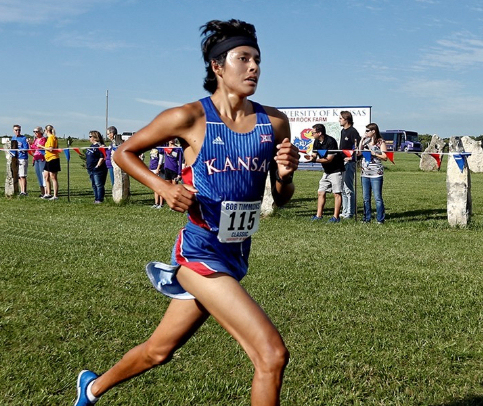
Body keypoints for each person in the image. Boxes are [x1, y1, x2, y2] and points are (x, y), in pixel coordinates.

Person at [74, 19, 299, 406]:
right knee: (271, 354)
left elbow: (281, 199)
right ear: (217, 66)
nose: (254, 68)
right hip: (199, 255)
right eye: (243, 58)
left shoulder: (274, 123)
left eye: (258, 60)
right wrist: (162, 186)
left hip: (236, 253)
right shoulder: (189, 118)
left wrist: (285, 174)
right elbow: (123, 153)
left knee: (159, 351)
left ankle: (91, 388)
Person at [304, 124, 344, 222]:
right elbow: (314, 155)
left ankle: (336, 217)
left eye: (313, 132)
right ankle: (319, 215)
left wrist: (314, 161)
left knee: (336, 193)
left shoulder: (331, 141)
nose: (311, 134)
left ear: (319, 133)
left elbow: (329, 159)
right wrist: (310, 158)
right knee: (321, 192)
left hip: (336, 171)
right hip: (326, 171)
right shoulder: (316, 142)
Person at [358, 123, 387, 224]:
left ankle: (380, 219)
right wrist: (361, 141)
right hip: (365, 173)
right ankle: (367, 218)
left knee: (377, 198)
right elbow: (358, 153)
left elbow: (385, 157)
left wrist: (374, 154)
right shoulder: (365, 141)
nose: (365, 133)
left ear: (373, 131)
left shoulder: (380, 142)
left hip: (376, 173)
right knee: (366, 198)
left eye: (367, 131)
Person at [338, 111, 361, 219]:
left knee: (348, 188)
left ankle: (350, 212)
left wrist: (352, 157)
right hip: (342, 161)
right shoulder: (343, 131)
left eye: (341, 118)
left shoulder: (353, 132)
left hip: (349, 162)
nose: (339, 120)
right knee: (342, 187)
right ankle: (345, 210)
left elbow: (358, 148)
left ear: (346, 119)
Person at [86, 131, 108, 204]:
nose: (89, 138)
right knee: (93, 184)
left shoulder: (100, 146)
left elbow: (102, 157)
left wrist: (97, 166)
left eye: (90, 136)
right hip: (90, 168)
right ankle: (96, 198)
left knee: (98, 184)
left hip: (98, 169)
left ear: (95, 137)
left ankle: (100, 199)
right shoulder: (91, 146)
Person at [40, 124, 60, 200]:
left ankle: (55, 195)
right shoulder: (48, 138)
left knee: (53, 177)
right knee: (46, 176)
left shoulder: (51, 137)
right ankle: (48, 193)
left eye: (44, 130)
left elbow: (51, 149)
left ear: (47, 130)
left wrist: (41, 146)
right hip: (48, 158)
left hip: (53, 159)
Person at [11, 124, 29, 196]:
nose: (17, 131)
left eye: (19, 130)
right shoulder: (13, 138)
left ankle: (24, 191)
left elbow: (26, 148)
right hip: (16, 158)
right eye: (16, 130)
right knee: (18, 175)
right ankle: (21, 190)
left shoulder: (23, 138)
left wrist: (19, 149)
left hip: (22, 158)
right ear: (13, 131)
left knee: (22, 175)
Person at [30, 126, 47, 197]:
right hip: (36, 158)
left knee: (43, 174)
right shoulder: (36, 140)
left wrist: (34, 146)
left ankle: (46, 192)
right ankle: (42, 192)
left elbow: (40, 147)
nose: (35, 133)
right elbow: (33, 149)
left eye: (36, 131)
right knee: (38, 175)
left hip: (41, 158)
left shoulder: (43, 139)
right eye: (34, 132)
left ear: (40, 132)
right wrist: (30, 144)